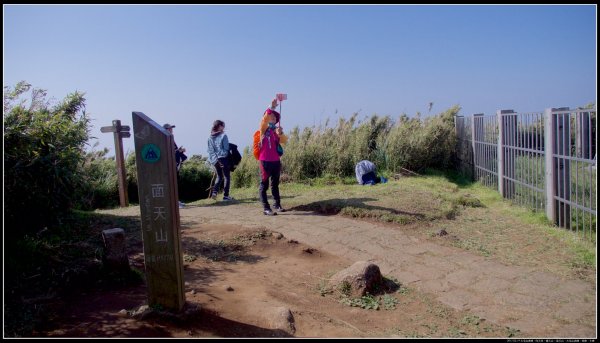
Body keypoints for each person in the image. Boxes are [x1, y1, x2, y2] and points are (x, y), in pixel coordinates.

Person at [258, 100, 287, 216]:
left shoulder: (276, 131)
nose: (273, 117)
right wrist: (272, 107)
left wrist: (281, 133)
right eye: (271, 116)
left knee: (275, 184)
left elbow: (284, 141)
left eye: (275, 117)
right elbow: (264, 120)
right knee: (264, 185)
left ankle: (277, 204)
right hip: (265, 161)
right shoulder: (263, 130)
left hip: (275, 161)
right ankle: (266, 208)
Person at [207, 120, 234, 201]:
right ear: (219, 126)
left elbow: (210, 150)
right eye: (223, 126)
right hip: (223, 158)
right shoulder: (223, 135)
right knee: (227, 177)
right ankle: (226, 196)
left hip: (214, 160)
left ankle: (214, 192)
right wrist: (224, 155)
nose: (224, 128)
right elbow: (226, 149)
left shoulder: (210, 137)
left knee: (219, 176)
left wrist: (214, 159)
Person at [163, 123, 187, 208]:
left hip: (174, 164)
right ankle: (174, 203)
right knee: (173, 184)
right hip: (170, 165)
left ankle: (176, 201)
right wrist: (179, 151)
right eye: (169, 129)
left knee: (175, 183)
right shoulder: (165, 139)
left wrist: (179, 151)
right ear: (165, 129)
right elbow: (168, 152)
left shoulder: (170, 138)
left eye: (171, 128)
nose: (171, 130)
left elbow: (173, 151)